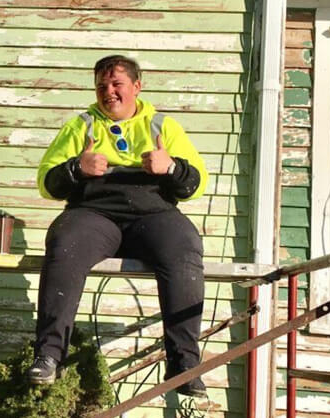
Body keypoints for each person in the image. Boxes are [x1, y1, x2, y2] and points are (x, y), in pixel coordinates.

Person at [26, 55, 209, 397]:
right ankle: (49, 354)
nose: (108, 92)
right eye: (101, 86)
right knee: (64, 242)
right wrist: (76, 169)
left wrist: (170, 168)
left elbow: (196, 184)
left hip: (153, 213)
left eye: (116, 84)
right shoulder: (81, 125)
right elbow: (46, 183)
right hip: (94, 212)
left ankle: (185, 364)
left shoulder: (163, 126)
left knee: (184, 243)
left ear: (137, 87)